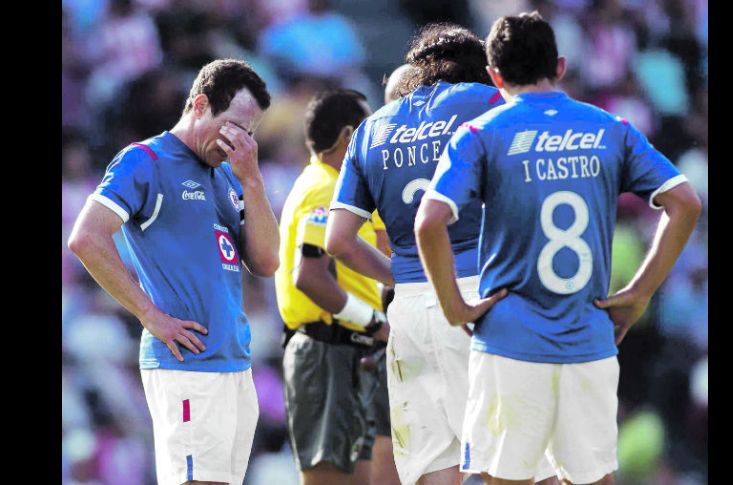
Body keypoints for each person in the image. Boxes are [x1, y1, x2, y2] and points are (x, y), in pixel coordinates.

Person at [415, 12, 702, 485]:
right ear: (562, 66)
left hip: (509, 340)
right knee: (591, 479)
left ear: (494, 75)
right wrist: (640, 292)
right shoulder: (611, 128)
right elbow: (685, 203)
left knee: (506, 479)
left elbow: (430, 221)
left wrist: (455, 308)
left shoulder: (480, 134)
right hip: (588, 336)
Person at [325, 24, 556, 485]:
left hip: (410, 311)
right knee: (527, 465)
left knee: (436, 469)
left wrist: (403, 276)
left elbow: (339, 241)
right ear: (482, 71)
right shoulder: (488, 102)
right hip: (483, 300)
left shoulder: (372, 129)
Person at [68, 58, 280, 485]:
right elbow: (86, 238)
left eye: (250, 132)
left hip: (233, 362)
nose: (241, 141)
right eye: (234, 126)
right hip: (186, 365)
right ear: (200, 104)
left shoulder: (230, 175)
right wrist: (149, 315)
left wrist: (253, 181)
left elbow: (267, 261)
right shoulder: (145, 160)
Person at [274, 89, 396, 485]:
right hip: (327, 351)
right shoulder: (326, 188)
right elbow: (309, 276)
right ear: (348, 136)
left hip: (348, 351)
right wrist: (375, 322)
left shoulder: (331, 186)